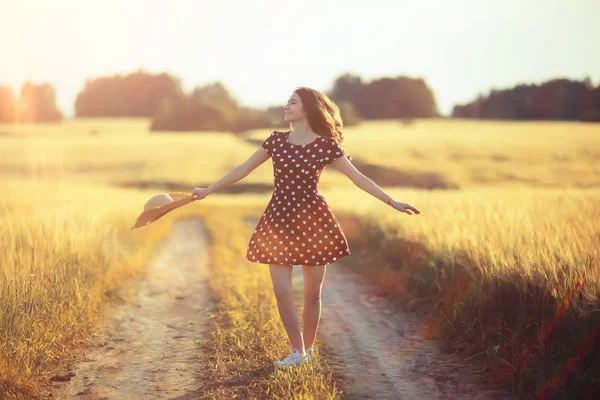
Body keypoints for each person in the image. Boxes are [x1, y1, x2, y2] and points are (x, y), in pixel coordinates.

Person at [191, 86, 420, 369]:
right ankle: (297, 351)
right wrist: (208, 190)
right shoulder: (275, 141)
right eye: (287, 102)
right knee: (282, 291)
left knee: (313, 294)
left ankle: (308, 352)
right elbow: (242, 169)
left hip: (314, 221)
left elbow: (358, 178)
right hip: (279, 218)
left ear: (307, 109)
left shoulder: (326, 145)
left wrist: (391, 200)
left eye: (292, 102)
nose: (286, 106)